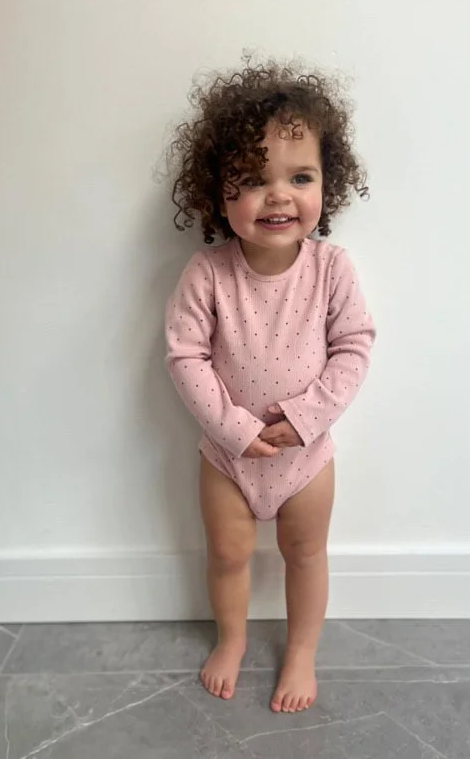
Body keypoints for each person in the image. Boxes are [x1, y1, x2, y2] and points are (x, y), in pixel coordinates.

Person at [164, 57, 376, 714]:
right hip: (228, 454)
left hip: (305, 455)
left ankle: (302, 652)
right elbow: (185, 355)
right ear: (217, 194)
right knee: (228, 554)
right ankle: (231, 638)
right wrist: (233, 428)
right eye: (253, 181)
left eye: (299, 176)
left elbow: (355, 347)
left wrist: (307, 417)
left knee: (305, 553)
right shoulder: (209, 273)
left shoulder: (332, 269)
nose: (278, 195)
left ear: (326, 184)